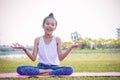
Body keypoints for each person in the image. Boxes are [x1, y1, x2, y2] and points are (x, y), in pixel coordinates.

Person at [11, 13, 81, 76]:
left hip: (54, 67)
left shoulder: (57, 39)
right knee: (20, 69)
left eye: (52, 24)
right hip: (41, 67)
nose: (50, 26)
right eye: (47, 23)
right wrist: (24, 49)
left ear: (55, 28)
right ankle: (48, 72)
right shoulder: (37, 40)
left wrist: (71, 47)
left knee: (69, 69)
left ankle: (46, 73)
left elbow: (61, 58)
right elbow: (33, 58)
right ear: (43, 25)